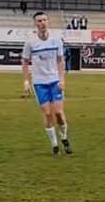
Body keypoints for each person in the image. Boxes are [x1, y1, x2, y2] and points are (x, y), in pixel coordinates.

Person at [22, 12, 72, 155]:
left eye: (44, 20)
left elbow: (60, 60)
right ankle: (55, 144)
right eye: (39, 21)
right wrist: (26, 80)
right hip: (39, 83)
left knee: (58, 113)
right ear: (35, 24)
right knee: (47, 113)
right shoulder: (30, 42)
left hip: (55, 80)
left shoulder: (56, 40)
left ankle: (64, 138)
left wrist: (62, 79)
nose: (42, 23)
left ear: (48, 22)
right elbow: (25, 61)